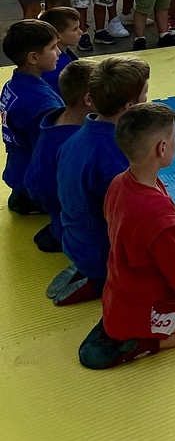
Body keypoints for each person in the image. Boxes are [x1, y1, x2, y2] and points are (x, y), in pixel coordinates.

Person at [78, 101, 175, 371]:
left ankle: (141, 331)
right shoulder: (157, 214)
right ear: (161, 148)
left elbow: (157, 249)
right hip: (141, 310)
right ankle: (144, 344)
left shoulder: (121, 182)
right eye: (174, 137)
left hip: (123, 287)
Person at [55, 56, 150, 306]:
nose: (148, 100)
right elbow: (130, 223)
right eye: (146, 95)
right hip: (100, 253)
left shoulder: (75, 138)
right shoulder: (113, 158)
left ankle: (87, 271)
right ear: (130, 106)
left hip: (73, 238)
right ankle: (98, 280)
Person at [23, 59, 94, 253]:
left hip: (45, 190)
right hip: (58, 200)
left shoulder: (59, 117)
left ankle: (56, 229)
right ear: (88, 100)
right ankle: (60, 234)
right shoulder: (70, 142)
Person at [1, 18, 60, 215]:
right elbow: (48, 153)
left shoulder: (13, 85)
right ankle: (31, 200)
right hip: (33, 179)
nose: (59, 53)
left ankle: (23, 196)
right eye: (53, 47)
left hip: (18, 169)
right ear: (33, 58)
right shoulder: (40, 105)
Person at [39, 6, 82, 90]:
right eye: (75, 29)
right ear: (58, 35)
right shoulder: (56, 67)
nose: (81, 32)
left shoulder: (65, 53)